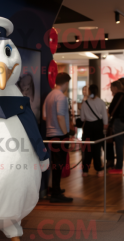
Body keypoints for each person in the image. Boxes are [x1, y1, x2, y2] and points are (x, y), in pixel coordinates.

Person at [43, 72, 73, 203]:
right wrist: (66, 134)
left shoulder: (49, 95)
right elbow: (60, 116)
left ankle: (56, 188)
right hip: (60, 134)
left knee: (56, 163)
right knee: (59, 164)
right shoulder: (61, 97)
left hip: (50, 133)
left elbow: (44, 116)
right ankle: (56, 193)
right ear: (66, 83)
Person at [80, 84, 108, 177]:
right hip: (98, 126)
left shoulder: (85, 103)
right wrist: (105, 127)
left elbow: (82, 118)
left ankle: (85, 171)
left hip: (88, 127)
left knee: (87, 149)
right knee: (97, 149)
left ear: (89, 91)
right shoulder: (101, 102)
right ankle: (99, 170)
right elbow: (105, 117)